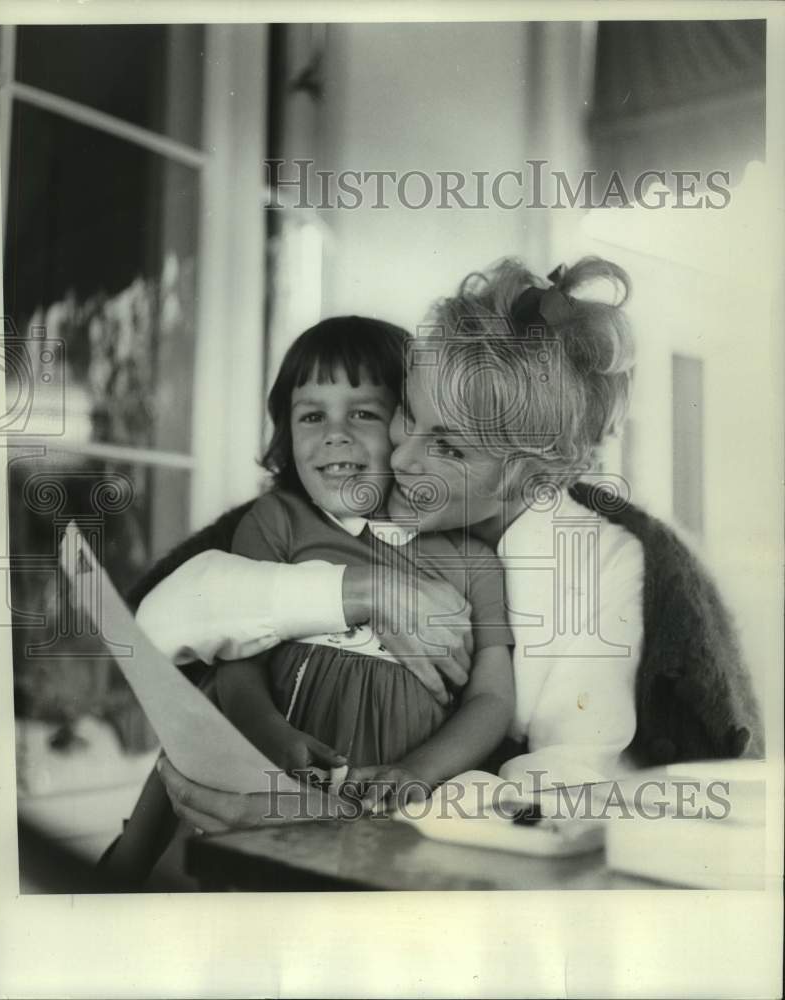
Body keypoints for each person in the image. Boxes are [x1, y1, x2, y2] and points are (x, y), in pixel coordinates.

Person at [136, 256, 762, 836]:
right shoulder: (351, 492)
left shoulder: (600, 566)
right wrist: (358, 591)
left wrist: (338, 810)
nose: (401, 457)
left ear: (532, 476)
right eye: (408, 412)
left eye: (450, 448)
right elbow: (162, 619)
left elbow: (567, 789)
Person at [105, 316, 515, 883]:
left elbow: (492, 698)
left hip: (391, 786)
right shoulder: (279, 523)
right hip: (274, 759)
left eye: (364, 412)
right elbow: (233, 663)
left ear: (405, 425)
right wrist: (271, 734)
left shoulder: (473, 561)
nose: (335, 433)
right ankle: (120, 872)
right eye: (312, 415)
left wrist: (419, 770)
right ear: (286, 432)